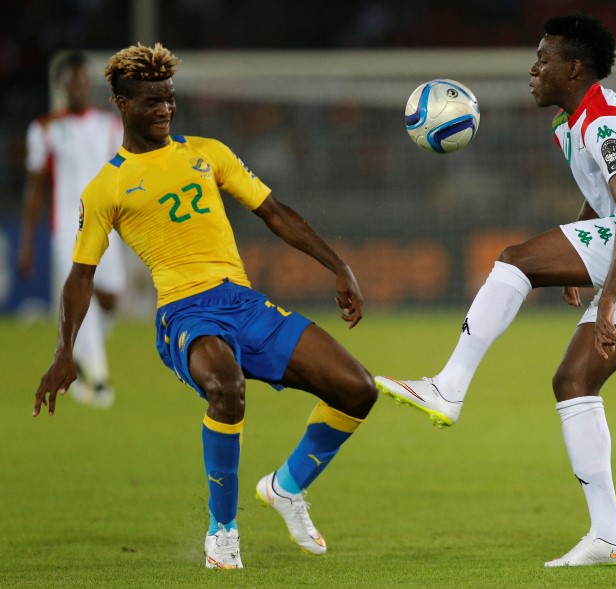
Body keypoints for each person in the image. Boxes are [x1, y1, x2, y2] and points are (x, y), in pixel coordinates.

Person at [376, 13, 616, 567]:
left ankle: (448, 387)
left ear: (573, 68)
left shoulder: (603, 120)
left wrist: (604, 289)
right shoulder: (569, 124)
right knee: (573, 381)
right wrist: (585, 249)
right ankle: (610, 537)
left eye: (543, 59)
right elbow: (604, 199)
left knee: (514, 261)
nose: (533, 70)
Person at [32, 43, 378, 570]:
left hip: (243, 302)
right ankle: (222, 530)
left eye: (170, 100)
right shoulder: (106, 187)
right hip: (184, 314)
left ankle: (286, 488)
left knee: (358, 389)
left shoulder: (207, 152)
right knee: (226, 388)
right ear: (122, 104)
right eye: (153, 102)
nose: (166, 110)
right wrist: (65, 351)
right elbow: (81, 277)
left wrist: (338, 266)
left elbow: (274, 212)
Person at [18, 50, 126, 408]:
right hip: (67, 224)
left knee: (110, 296)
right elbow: (34, 188)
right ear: (62, 85)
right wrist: (27, 241)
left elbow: (122, 179)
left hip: (106, 221)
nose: (78, 85)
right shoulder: (45, 128)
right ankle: (96, 379)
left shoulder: (109, 125)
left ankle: (80, 350)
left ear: (88, 84)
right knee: (84, 291)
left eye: (83, 79)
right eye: (72, 80)